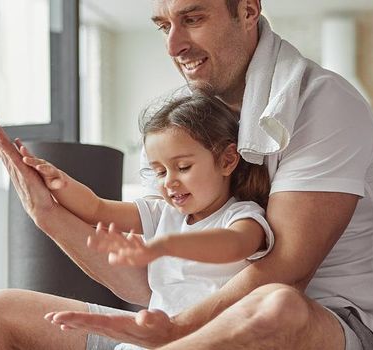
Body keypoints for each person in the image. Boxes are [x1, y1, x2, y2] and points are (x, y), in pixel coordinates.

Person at [0, 0, 373, 349]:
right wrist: (48, 214)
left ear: (248, 9)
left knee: (277, 307)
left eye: (192, 19)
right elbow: (147, 283)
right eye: (163, 25)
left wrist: (172, 331)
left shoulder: (319, 103)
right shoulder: (189, 125)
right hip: (181, 328)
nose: (174, 46)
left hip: (323, 325)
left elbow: (285, 273)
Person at [27, 94, 275, 349]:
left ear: (227, 160)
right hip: (153, 341)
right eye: (160, 171)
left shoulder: (243, 215)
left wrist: (164, 246)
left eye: (183, 167)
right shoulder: (162, 213)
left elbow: (235, 244)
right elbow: (95, 208)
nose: (169, 181)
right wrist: (59, 183)